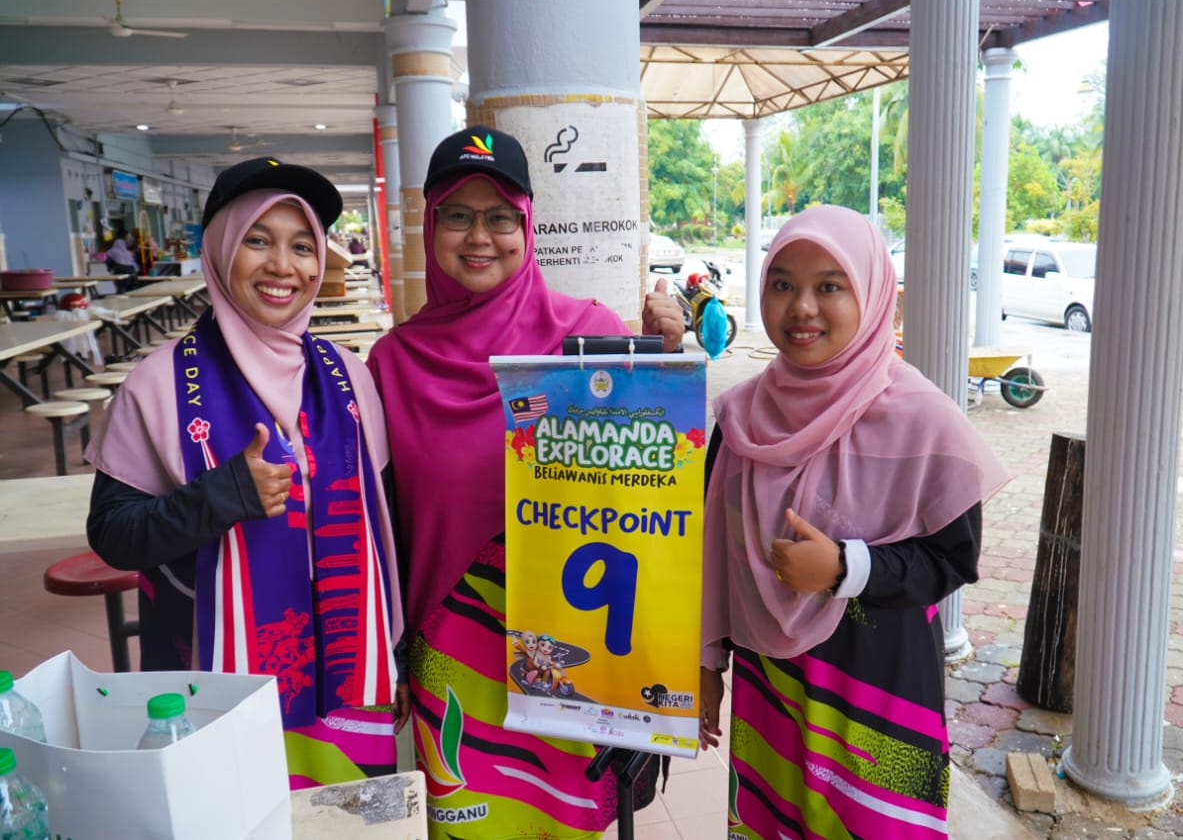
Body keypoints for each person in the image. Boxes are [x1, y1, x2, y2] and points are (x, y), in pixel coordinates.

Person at [365, 125, 683, 838]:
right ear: (431, 225)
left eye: (501, 216)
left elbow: (648, 491)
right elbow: (382, 533)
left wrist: (661, 369)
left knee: (562, 821)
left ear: (527, 225)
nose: (480, 236)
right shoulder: (392, 364)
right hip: (451, 649)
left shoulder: (587, 336)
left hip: (572, 648)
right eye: (458, 214)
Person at [84, 157, 404, 790]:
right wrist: (220, 495)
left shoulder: (349, 376)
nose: (283, 266)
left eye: (302, 246)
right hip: (208, 672)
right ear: (220, 251)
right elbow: (113, 535)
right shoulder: (158, 384)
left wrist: (399, 647)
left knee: (344, 816)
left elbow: (387, 524)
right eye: (258, 241)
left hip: (347, 670)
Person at [698, 206, 1010, 838]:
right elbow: (714, 556)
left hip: (878, 692)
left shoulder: (924, 420)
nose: (801, 307)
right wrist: (708, 665)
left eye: (829, 286)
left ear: (871, 295)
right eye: (782, 284)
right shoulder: (740, 419)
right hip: (770, 682)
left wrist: (846, 567)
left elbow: (953, 560)